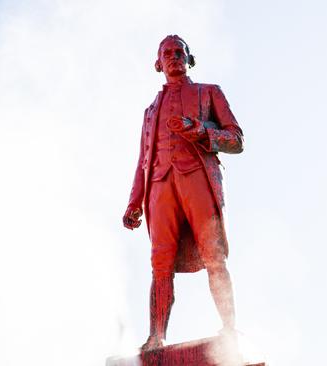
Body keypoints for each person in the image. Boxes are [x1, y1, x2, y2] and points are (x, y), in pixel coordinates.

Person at [122, 35, 244, 352]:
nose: (174, 57)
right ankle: (156, 337)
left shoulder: (209, 93)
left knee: (214, 255)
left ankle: (230, 329)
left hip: (197, 180)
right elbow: (143, 160)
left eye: (180, 52)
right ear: (158, 63)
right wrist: (135, 202)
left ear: (190, 60)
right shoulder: (150, 111)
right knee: (159, 264)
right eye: (167, 53)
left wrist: (201, 130)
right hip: (160, 187)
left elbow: (236, 140)